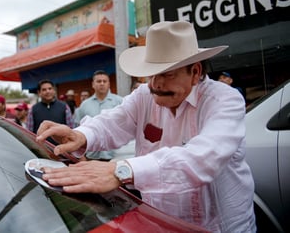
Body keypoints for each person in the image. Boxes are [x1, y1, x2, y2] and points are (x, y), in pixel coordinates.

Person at [36, 21, 256, 232]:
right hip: (158, 223)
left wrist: (120, 171)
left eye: (167, 74)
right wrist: (81, 135)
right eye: (152, 73)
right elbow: (113, 121)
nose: (156, 84)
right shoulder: (144, 96)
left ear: (195, 72)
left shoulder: (224, 101)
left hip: (218, 228)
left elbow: (202, 158)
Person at [74, 70, 123, 161]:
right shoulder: (84, 105)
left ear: (109, 84)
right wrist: (81, 156)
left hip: (115, 156)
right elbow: (78, 130)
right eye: (99, 81)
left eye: (105, 81)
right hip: (91, 156)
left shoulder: (120, 102)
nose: (102, 84)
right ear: (93, 84)